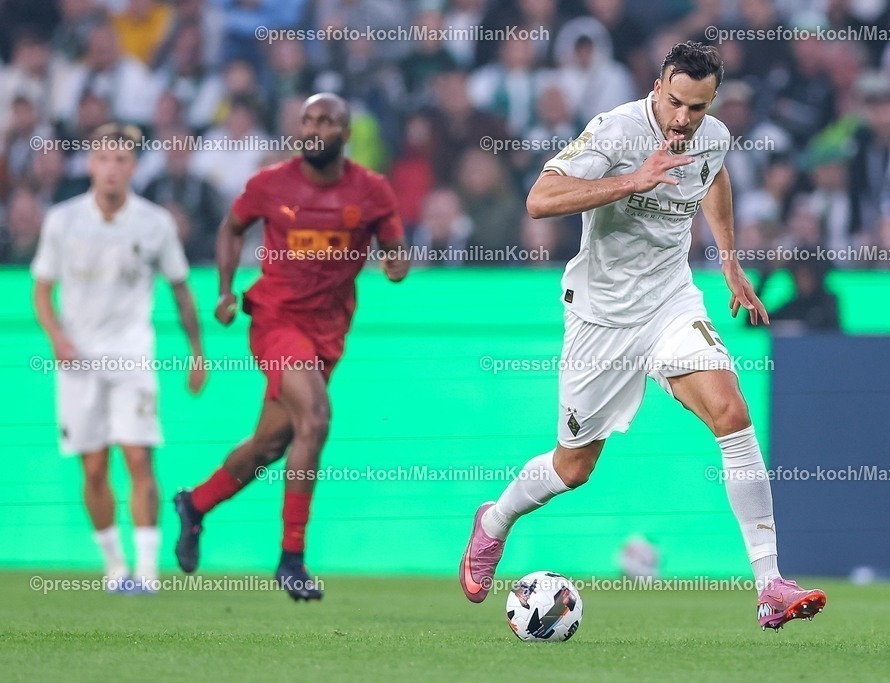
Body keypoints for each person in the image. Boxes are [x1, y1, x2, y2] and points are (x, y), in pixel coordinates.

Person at [460, 42, 827, 631]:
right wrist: (632, 180)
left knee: (731, 410)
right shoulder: (614, 131)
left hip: (669, 303)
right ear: (658, 86)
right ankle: (494, 521)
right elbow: (539, 199)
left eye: (698, 107)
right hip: (601, 318)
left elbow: (714, 177)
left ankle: (769, 586)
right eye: (677, 102)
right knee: (573, 468)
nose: (684, 119)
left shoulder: (712, 135)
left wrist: (730, 262)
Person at [173, 93, 410, 601]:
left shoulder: (371, 190)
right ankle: (291, 558)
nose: (316, 127)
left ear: (345, 134)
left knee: (270, 445)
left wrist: (396, 264)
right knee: (317, 419)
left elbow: (395, 246)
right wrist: (223, 290)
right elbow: (231, 227)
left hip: (329, 329)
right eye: (309, 119)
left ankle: (195, 504)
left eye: (328, 120)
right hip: (276, 321)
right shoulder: (270, 183)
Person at [30, 123, 206, 593]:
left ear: (132, 167)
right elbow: (42, 290)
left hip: (133, 355)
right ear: (90, 163)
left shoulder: (155, 223)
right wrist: (56, 337)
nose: (112, 168)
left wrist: (197, 352)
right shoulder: (63, 221)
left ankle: (147, 572)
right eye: (104, 159)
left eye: (122, 160)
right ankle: (115, 567)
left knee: (138, 457)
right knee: (92, 467)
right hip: (78, 360)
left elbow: (181, 291)